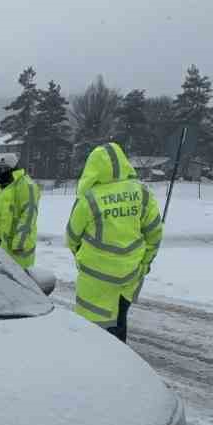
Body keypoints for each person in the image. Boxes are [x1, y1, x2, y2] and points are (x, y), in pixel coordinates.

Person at [65, 141, 164, 343]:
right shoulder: (142, 194)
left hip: (95, 280)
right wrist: (144, 264)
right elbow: (154, 233)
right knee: (119, 324)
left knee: (93, 332)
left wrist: (82, 256)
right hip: (129, 277)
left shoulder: (90, 199)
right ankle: (118, 363)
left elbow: (71, 236)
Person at [0, 159, 41, 268]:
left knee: (17, 281)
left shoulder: (26, 185)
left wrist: (20, 242)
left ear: (13, 168)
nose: (1, 171)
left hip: (16, 250)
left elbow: (28, 215)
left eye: (5, 168)